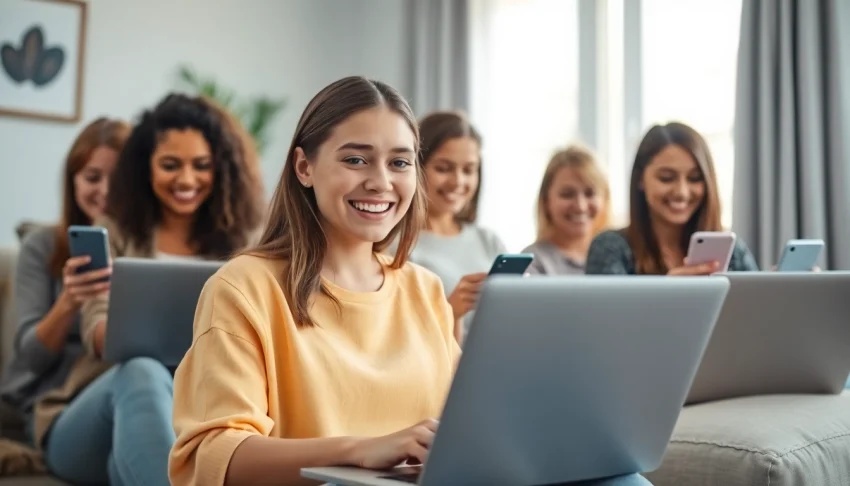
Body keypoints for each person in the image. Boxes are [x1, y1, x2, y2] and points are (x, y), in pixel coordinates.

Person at [168, 76, 653, 486]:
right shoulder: (244, 287)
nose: (381, 181)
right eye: (356, 160)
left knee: (619, 477)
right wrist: (360, 450)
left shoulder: (423, 289)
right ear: (304, 167)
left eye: (400, 163)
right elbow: (213, 456)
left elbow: (474, 421)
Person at [42, 94, 265, 485]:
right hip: (92, 419)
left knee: (130, 462)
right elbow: (97, 331)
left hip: (193, 415)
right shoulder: (114, 230)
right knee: (141, 369)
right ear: (145, 167)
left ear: (222, 168)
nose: (186, 180)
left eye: (201, 165)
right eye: (170, 165)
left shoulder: (247, 240)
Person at [0, 118, 129, 445]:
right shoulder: (41, 246)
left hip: (119, 389)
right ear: (73, 181)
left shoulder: (142, 248)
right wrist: (69, 302)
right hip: (54, 397)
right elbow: (31, 358)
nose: (105, 191)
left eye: (119, 179)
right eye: (92, 177)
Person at [387, 111, 505, 343]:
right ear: (414, 167)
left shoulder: (488, 241)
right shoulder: (394, 246)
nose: (457, 182)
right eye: (443, 168)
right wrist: (450, 310)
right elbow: (397, 337)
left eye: (468, 170)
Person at [585, 122, 758, 275]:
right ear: (640, 179)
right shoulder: (611, 248)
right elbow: (606, 304)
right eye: (666, 178)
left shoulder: (734, 252)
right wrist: (671, 293)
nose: (682, 192)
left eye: (695, 178)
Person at [522, 145, 611, 275]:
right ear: (546, 201)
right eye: (567, 194)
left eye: (590, 193)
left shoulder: (618, 257)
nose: (581, 206)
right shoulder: (532, 264)